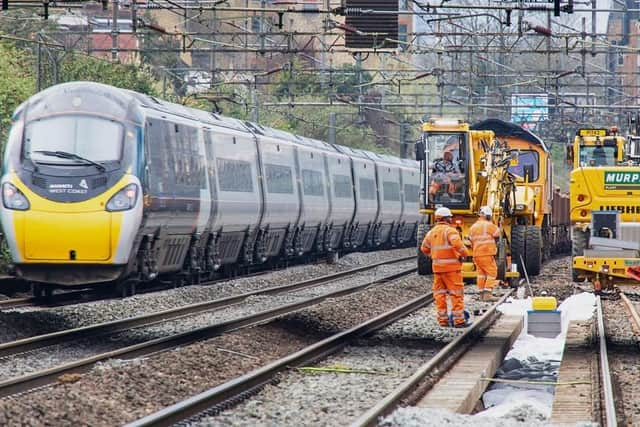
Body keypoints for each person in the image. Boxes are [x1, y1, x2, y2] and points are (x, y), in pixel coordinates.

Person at [421, 206, 471, 328]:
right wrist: (464, 254)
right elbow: (457, 245)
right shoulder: (450, 231)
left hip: (438, 269)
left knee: (440, 295)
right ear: (447, 218)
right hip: (452, 270)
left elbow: (424, 248)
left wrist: (434, 256)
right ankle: (459, 321)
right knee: (456, 294)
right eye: (450, 217)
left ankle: (443, 321)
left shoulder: (431, 233)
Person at [469, 206, 501, 302]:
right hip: (486, 253)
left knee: (481, 274)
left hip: (476, 254)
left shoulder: (473, 227)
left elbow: (470, 240)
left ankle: (482, 294)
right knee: (492, 272)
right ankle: (488, 294)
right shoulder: (489, 225)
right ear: (488, 216)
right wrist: (499, 225)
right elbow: (498, 234)